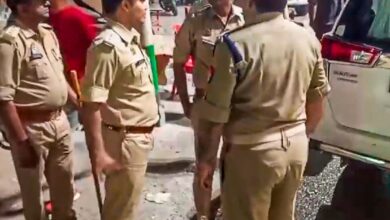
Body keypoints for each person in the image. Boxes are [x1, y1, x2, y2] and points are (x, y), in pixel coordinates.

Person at [194, 0, 331, 219]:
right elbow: (317, 100)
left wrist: (206, 161)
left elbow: (215, 114)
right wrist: (299, 137)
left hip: (252, 153)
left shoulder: (234, 44)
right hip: (295, 148)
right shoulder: (308, 38)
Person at [81, 0, 159, 219]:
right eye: (142, 1)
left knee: (128, 206)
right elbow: (91, 105)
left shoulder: (130, 40)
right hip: (124, 142)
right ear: (125, 5)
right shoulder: (108, 46)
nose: (146, 5)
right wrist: (98, 153)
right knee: (121, 211)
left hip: (136, 138)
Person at [0, 0, 76, 219]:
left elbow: (58, 74)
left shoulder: (47, 33)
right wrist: (21, 142)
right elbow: (4, 99)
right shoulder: (9, 43)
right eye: (40, 1)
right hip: (30, 128)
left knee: (65, 188)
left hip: (60, 121)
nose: (48, 2)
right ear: (23, 8)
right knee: (34, 197)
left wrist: (78, 102)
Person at [173, 0, 244, 219]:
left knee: (236, 164)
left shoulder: (245, 18)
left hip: (238, 105)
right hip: (206, 104)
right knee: (205, 165)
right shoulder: (197, 20)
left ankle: (227, 208)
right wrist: (185, 102)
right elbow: (178, 60)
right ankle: (203, 214)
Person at [49, 0, 98, 129]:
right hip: (53, 92)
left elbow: (98, 55)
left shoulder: (78, 17)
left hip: (79, 91)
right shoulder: (39, 18)